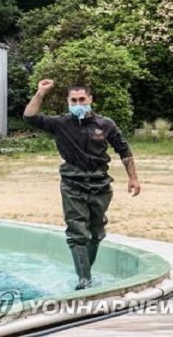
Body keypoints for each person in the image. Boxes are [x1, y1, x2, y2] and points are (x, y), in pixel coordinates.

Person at [23, 79, 141, 290]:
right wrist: (40, 93)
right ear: (68, 102)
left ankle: (86, 272)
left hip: (100, 184)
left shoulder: (105, 125)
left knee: (95, 233)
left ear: (90, 99)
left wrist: (133, 178)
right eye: (73, 100)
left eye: (82, 99)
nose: (78, 104)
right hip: (72, 184)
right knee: (77, 232)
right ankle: (84, 280)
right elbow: (29, 117)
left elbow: (124, 150)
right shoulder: (60, 123)